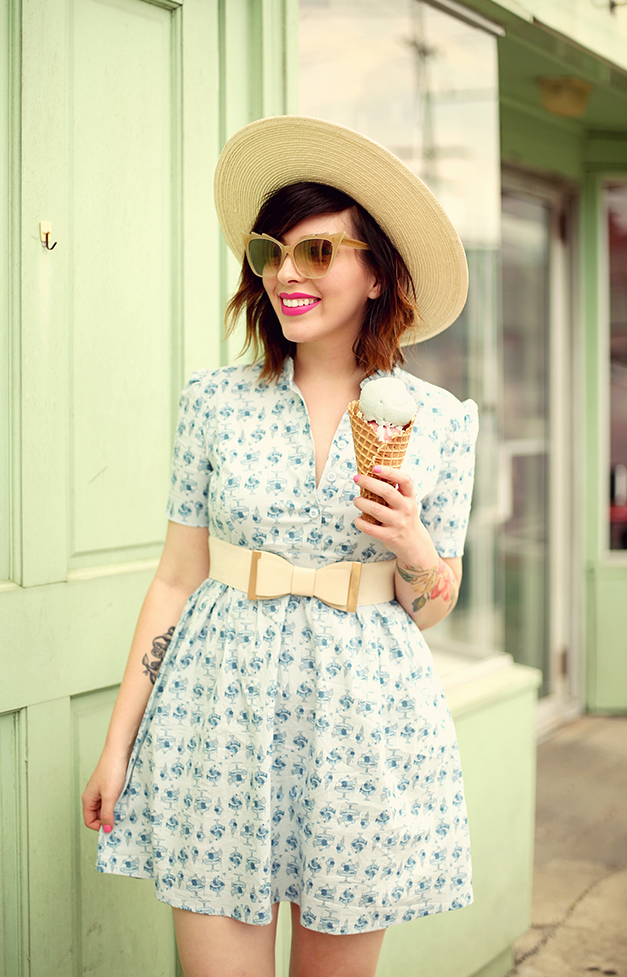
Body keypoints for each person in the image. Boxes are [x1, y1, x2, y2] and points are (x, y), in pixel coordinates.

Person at [82, 115, 478, 977]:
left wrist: (413, 543)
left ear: (377, 274)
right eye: (273, 254)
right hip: (219, 714)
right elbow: (176, 579)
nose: (287, 275)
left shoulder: (439, 421)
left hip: (363, 725)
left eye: (319, 253)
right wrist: (119, 745)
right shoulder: (214, 403)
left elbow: (434, 607)